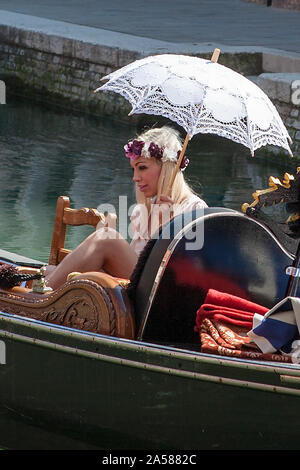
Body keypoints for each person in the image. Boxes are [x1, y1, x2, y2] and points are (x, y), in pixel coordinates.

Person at [45, 126, 207, 290]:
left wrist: (167, 227)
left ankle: (40, 297)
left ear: (167, 167)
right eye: (134, 169)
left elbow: (188, 275)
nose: (135, 178)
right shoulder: (143, 209)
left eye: (142, 167)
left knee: (105, 238)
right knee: (51, 270)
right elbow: (134, 259)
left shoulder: (194, 209)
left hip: (160, 291)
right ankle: (41, 290)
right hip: (137, 282)